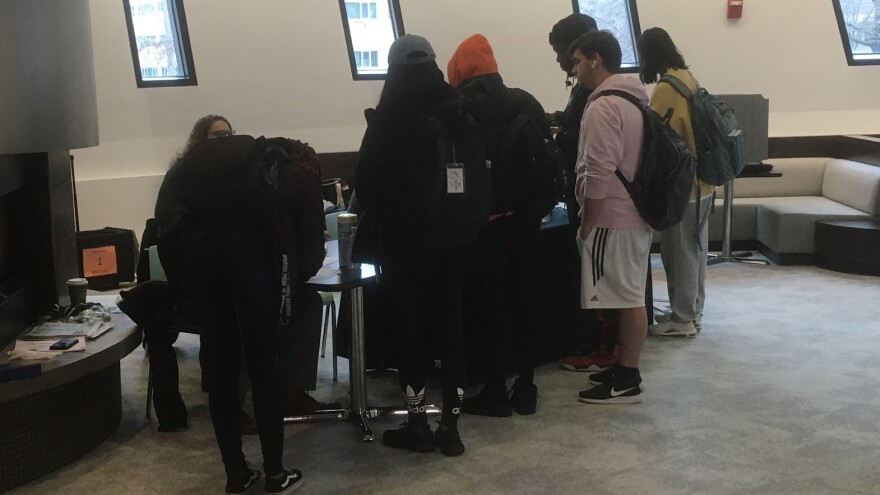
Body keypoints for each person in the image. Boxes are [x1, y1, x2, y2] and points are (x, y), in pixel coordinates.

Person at [176, 134, 324, 494]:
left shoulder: (209, 170)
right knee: (264, 370)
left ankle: (236, 474)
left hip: (207, 267)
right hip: (255, 270)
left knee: (223, 373)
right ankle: (275, 474)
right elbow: (311, 253)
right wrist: (291, 281)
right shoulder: (297, 176)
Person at [354, 34, 473, 456]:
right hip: (454, 240)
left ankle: (417, 422)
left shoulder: (391, 113)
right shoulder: (457, 105)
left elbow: (365, 183)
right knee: (450, 326)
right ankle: (452, 426)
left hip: (404, 243)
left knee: (411, 328)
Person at [446, 33, 549, 416]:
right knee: (524, 300)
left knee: (492, 307)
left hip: (487, 225)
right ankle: (526, 385)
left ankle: (493, 389)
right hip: (528, 220)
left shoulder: (463, 110)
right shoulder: (526, 101)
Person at [569, 30, 651, 404]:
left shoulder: (603, 105)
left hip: (613, 216)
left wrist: (588, 223)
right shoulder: (632, 98)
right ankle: (623, 371)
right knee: (626, 295)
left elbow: (598, 170)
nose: (575, 69)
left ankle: (629, 378)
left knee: (627, 297)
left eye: (577, 60)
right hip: (633, 212)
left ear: (595, 59)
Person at [549, 14, 621, 372]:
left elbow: (594, 159)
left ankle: (604, 347)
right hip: (595, 199)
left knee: (600, 275)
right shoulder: (597, 93)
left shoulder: (596, 97)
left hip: (598, 203)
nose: (563, 62)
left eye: (566, 54)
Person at [638, 27, 711, 338]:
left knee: (678, 251)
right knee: (696, 249)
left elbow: (655, 136)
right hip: (703, 180)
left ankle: (681, 320)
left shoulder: (666, 88)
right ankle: (692, 311)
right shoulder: (687, 76)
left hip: (683, 184)